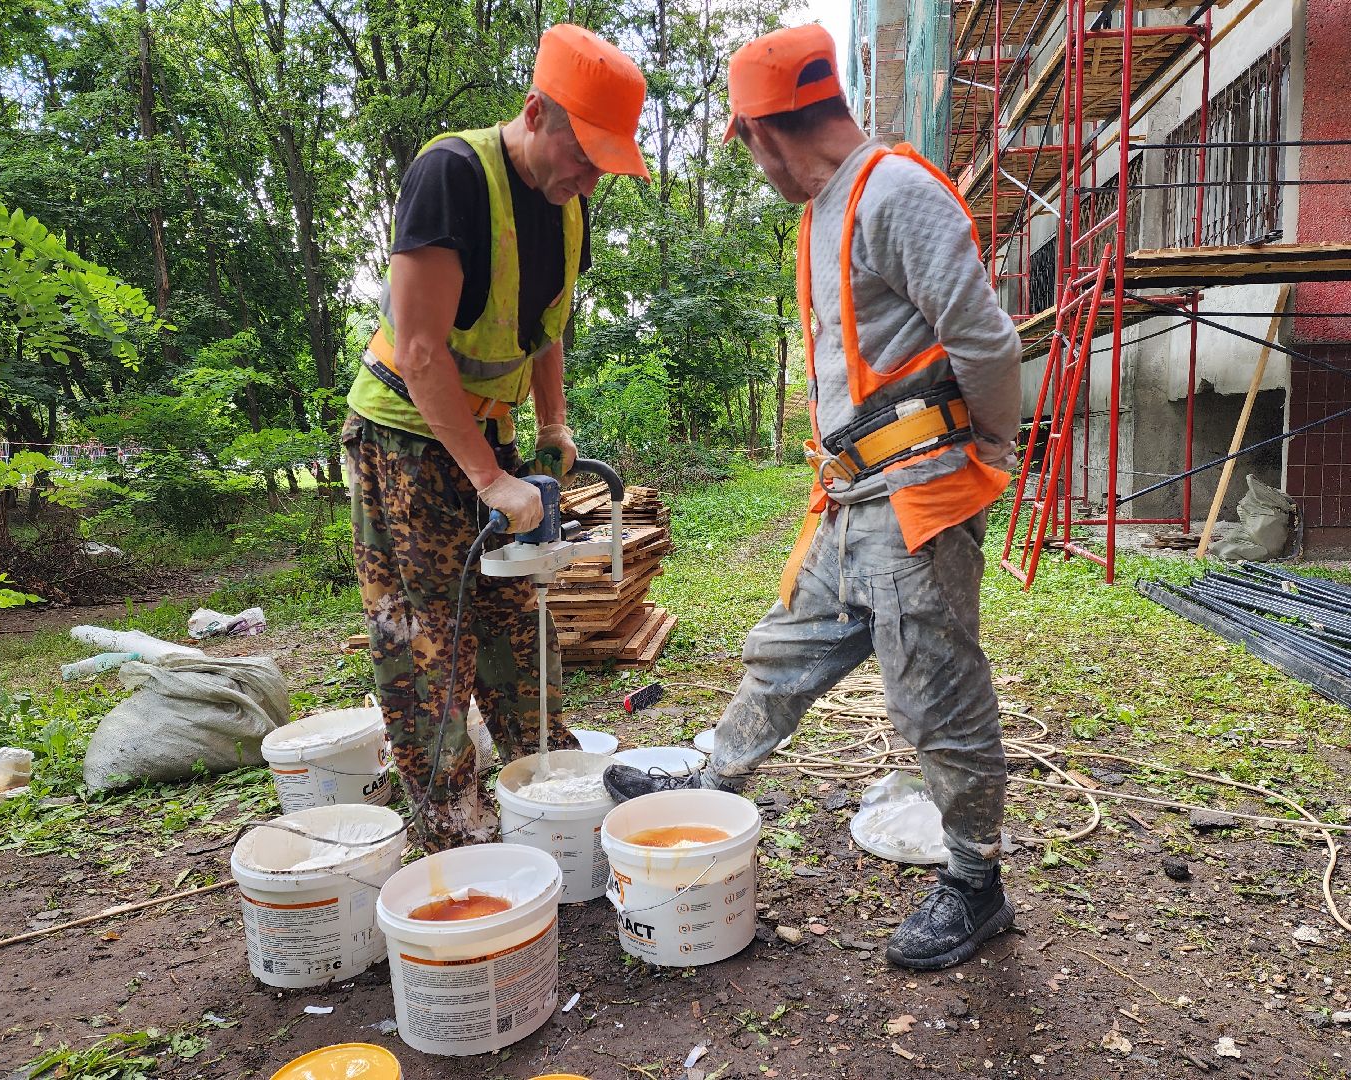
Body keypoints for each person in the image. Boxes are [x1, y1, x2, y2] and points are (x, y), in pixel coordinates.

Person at [603, 23, 1022, 971]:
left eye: (747, 149)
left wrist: (991, 447)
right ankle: (713, 780)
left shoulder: (895, 192)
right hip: (854, 496)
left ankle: (975, 883)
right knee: (786, 647)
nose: (755, 168)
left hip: (914, 498)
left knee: (938, 697)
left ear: (762, 131)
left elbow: (986, 342)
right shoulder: (827, 208)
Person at [343, 24, 649, 852]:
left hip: (492, 434)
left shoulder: (568, 202)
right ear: (535, 111)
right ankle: (454, 830)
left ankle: (545, 788)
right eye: (583, 156)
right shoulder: (452, 177)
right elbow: (420, 351)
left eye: (603, 165)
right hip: (406, 440)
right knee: (429, 639)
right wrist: (489, 481)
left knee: (518, 620)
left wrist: (551, 425)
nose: (589, 178)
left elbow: (546, 329)